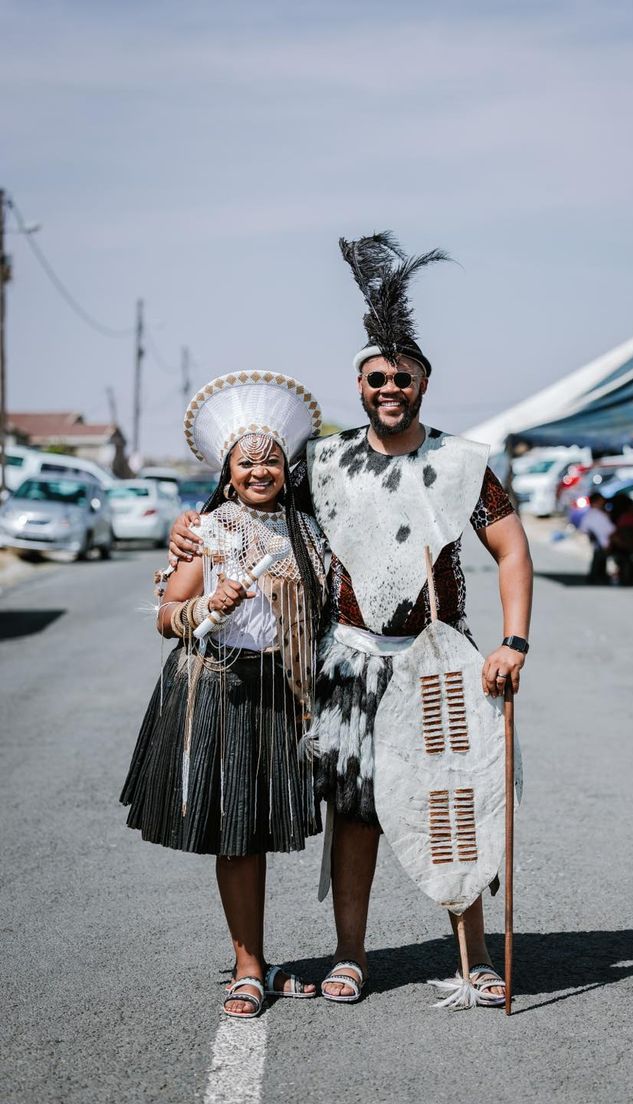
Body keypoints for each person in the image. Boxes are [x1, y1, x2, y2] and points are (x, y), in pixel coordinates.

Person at [170, 232, 533, 1007]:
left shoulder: (463, 462)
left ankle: (471, 957)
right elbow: (251, 500)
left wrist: (512, 642)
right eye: (375, 378)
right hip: (350, 661)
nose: (388, 388)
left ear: (424, 383)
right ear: (360, 385)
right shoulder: (325, 461)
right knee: (357, 811)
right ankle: (351, 954)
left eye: (401, 377)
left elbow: (510, 551)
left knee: (453, 803)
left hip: (440, 658)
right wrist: (190, 532)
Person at [121, 372, 327, 1020]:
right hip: (221, 689)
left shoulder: (312, 534)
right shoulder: (207, 530)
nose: (260, 469)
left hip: (283, 695)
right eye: (247, 460)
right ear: (228, 471)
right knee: (235, 833)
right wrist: (207, 603)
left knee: (263, 830)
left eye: (271, 458)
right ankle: (247, 967)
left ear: (288, 467)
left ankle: (263, 961)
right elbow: (166, 615)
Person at [578, 492, 615, 582]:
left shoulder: (591, 515)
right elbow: (611, 530)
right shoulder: (598, 515)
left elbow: (583, 528)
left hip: (600, 542)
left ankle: (597, 575)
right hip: (605, 542)